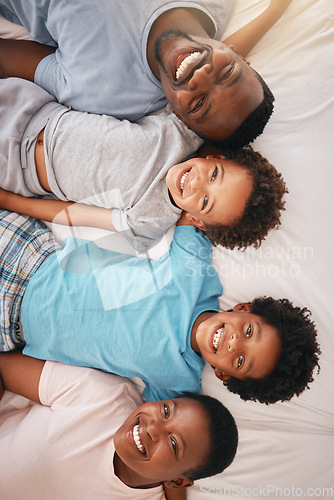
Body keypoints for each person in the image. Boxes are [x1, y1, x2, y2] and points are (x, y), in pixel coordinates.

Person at [0, 210, 320, 404]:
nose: (236, 343)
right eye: (249, 332)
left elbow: (173, 448)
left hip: (9, 329)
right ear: (243, 308)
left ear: (223, 374)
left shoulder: (177, 382)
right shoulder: (196, 274)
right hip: (30, 256)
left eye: (240, 361)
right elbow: (191, 212)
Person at [0, 77, 287, 252]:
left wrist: (9, 201)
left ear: (197, 221)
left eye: (206, 202)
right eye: (214, 175)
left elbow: (72, 215)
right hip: (31, 106)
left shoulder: (150, 222)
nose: (197, 184)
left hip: (16, 170)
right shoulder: (183, 131)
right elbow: (213, 77)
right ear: (216, 158)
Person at [0, 0, 293, 147]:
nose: (200, 77)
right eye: (227, 72)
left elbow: (7, 57)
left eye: (199, 104)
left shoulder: (107, 93)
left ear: (179, 116)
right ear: (238, 54)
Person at [0, 350, 238, 499]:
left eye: (174, 444)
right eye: (165, 410)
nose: (153, 428)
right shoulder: (101, 395)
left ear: (176, 481)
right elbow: (4, 367)